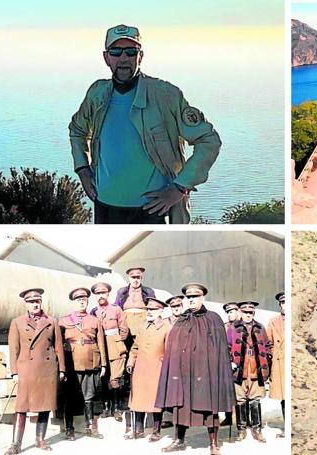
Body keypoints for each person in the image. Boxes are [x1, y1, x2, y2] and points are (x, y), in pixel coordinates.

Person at [69, 24, 221, 224]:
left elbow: (209, 141)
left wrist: (179, 187)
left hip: (153, 211)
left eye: (131, 52)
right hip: (105, 207)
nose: (123, 58)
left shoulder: (166, 95)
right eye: (116, 51)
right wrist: (82, 170)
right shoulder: (97, 93)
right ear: (106, 58)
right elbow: (77, 130)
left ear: (140, 56)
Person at [155, 283, 235, 454]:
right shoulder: (181, 320)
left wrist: (217, 369)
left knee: (209, 406)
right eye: (189, 297)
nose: (191, 300)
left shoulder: (214, 318)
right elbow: (173, 346)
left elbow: (220, 347)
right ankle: (179, 440)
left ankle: (214, 443)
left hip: (206, 372)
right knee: (180, 405)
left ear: (202, 297)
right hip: (184, 374)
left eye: (195, 297)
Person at [6, 288, 65, 454]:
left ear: (41, 302)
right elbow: (13, 349)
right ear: (26, 304)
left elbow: (58, 347)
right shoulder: (17, 322)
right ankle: (16, 444)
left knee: (45, 405)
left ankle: (40, 440)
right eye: (31, 302)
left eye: (37, 301)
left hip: (47, 369)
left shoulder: (51, 321)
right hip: (26, 369)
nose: (35, 304)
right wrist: (14, 372)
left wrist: (62, 369)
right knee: (22, 406)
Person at [59, 287, 107, 440]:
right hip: (71, 362)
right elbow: (59, 345)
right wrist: (61, 366)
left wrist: (104, 364)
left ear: (87, 301)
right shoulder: (64, 320)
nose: (81, 302)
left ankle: (90, 428)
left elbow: (101, 343)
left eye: (84, 299)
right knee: (70, 397)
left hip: (90, 362)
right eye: (78, 300)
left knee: (89, 396)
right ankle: (69, 429)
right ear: (73, 302)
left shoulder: (94, 320)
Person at [125, 297, 171, 441]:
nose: (149, 312)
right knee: (139, 399)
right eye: (148, 309)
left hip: (157, 369)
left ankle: (156, 431)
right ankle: (138, 430)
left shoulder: (166, 328)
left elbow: (170, 351)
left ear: (161, 311)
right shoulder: (142, 326)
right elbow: (135, 347)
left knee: (156, 402)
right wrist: (130, 362)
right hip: (140, 369)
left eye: (153, 310)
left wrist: (165, 365)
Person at [227, 301, 271, 443]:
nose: (247, 315)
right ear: (240, 313)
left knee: (255, 399)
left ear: (254, 313)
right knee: (240, 399)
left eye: (250, 313)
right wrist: (230, 361)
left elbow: (267, 345)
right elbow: (226, 346)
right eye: (245, 312)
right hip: (239, 369)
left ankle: (256, 429)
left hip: (256, 368)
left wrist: (267, 359)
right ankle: (241, 429)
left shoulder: (260, 327)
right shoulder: (233, 328)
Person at [90, 282, 128, 421]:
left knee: (115, 379)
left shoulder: (116, 309)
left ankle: (116, 408)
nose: (101, 296)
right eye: (98, 293)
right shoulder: (94, 312)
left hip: (115, 346)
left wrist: (118, 342)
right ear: (95, 296)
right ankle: (106, 407)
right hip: (101, 347)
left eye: (103, 293)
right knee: (104, 378)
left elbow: (124, 329)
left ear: (108, 294)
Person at [115, 266, 156, 338]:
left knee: (141, 344)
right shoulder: (122, 291)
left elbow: (155, 307)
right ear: (129, 278)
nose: (136, 280)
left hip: (143, 320)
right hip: (126, 321)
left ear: (141, 278)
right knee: (126, 344)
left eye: (138, 277)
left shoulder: (148, 291)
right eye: (133, 277)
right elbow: (116, 308)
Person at [267, 292, 286, 438]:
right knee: (283, 397)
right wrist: (275, 355)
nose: (285, 305)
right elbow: (269, 343)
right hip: (279, 362)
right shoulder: (273, 322)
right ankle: (286, 427)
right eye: (283, 302)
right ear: (280, 305)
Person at [220, 302, 240, 427]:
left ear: (238, 311)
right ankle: (228, 417)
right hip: (227, 363)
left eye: (232, 311)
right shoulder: (225, 327)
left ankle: (241, 420)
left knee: (240, 393)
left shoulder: (242, 325)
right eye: (228, 312)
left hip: (240, 364)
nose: (229, 314)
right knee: (227, 392)